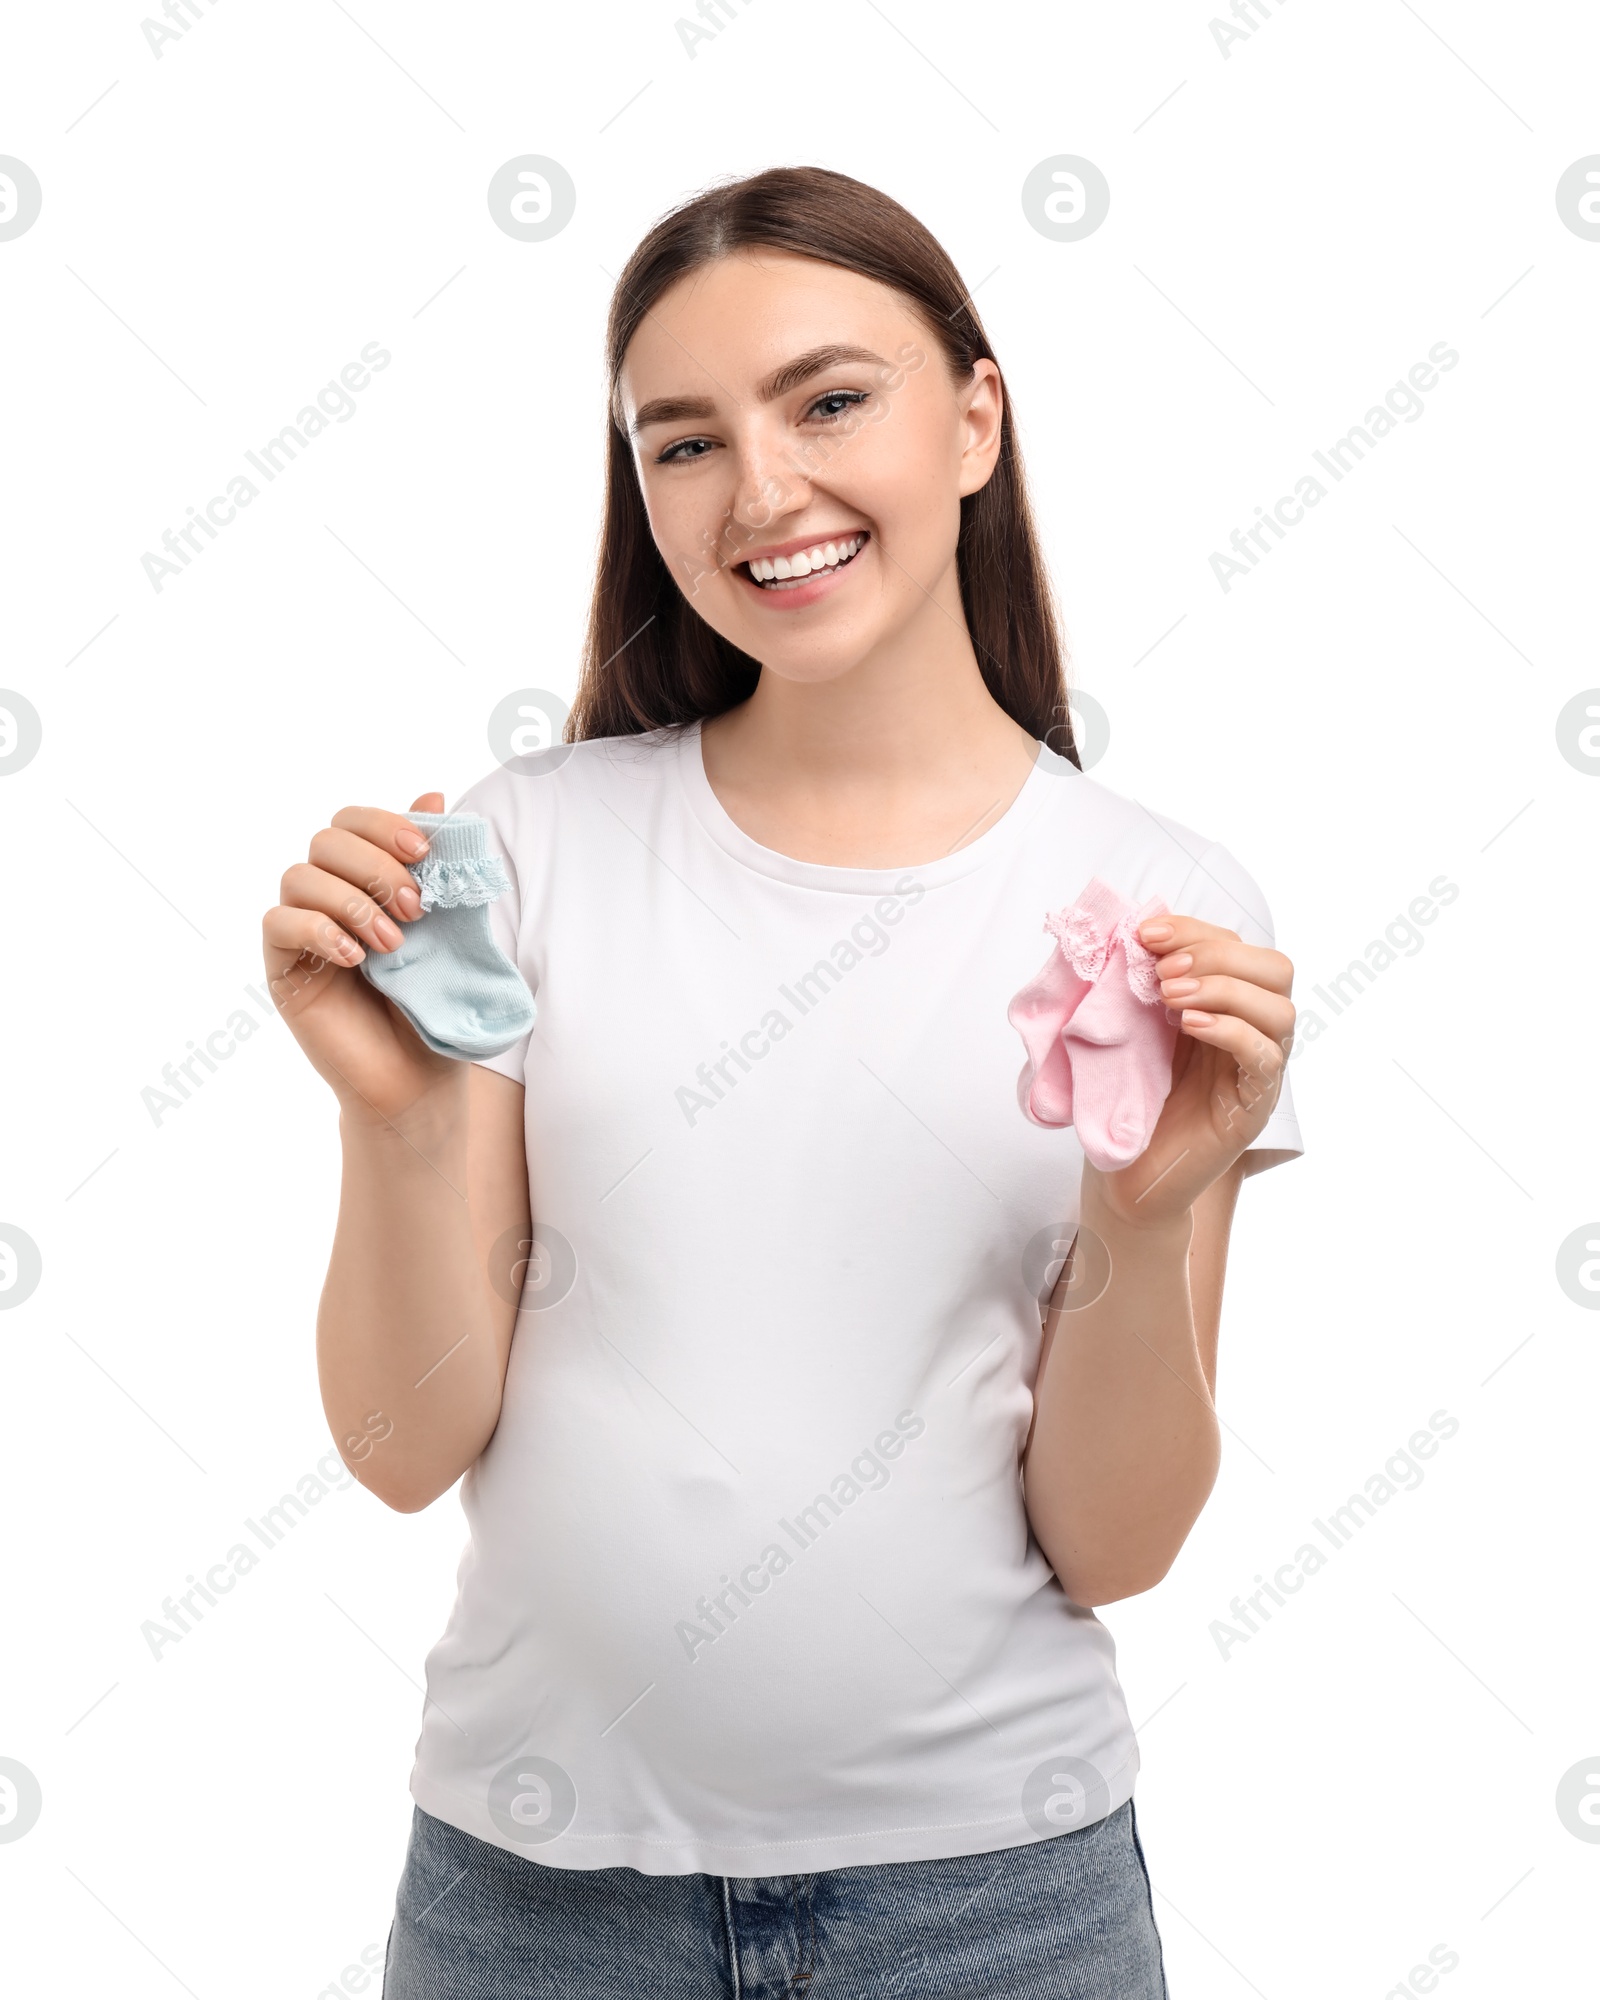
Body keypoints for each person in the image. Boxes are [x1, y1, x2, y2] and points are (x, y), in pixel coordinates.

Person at [262, 165, 1301, 1999]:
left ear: (976, 418)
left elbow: (1115, 1542)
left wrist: (1145, 1211)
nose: (762, 494)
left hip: (998, 1912)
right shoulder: (531, 854)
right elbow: (399, 1448)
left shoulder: (1161, 912)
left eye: (830, 401)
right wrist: (401, 1117)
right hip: (534, 1903)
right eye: (682, 441)